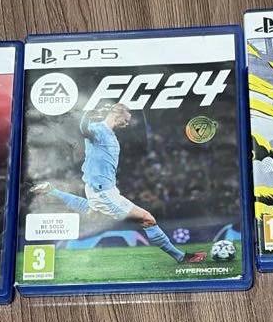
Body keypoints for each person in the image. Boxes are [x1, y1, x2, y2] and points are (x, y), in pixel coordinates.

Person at [30, 103, 207, 264]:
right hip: (102, 192)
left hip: (108, 191)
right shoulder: (98, 129)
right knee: (147, 219)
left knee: (94, 211)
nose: (127, 123)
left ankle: (51, 190)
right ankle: (181, 257)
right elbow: (84, 129)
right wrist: (88, 114)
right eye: (126, 119)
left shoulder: (112, 136)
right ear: (117, 114)